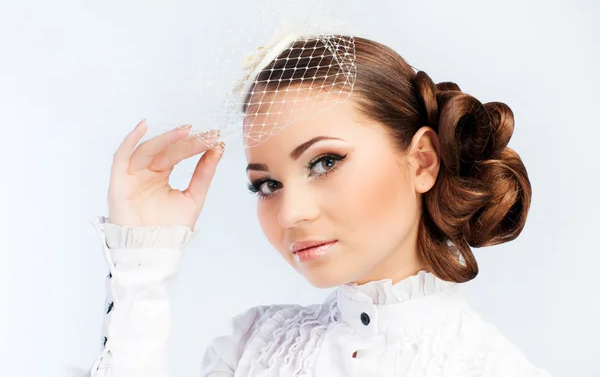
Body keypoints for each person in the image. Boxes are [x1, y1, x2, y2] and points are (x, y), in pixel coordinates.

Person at [74, 36, 553, 376]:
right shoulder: (251, 348)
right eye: (266, 185)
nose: (289, 213)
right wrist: (144, 262)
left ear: (422, 161)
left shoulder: (491, 367)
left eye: (325, 162)